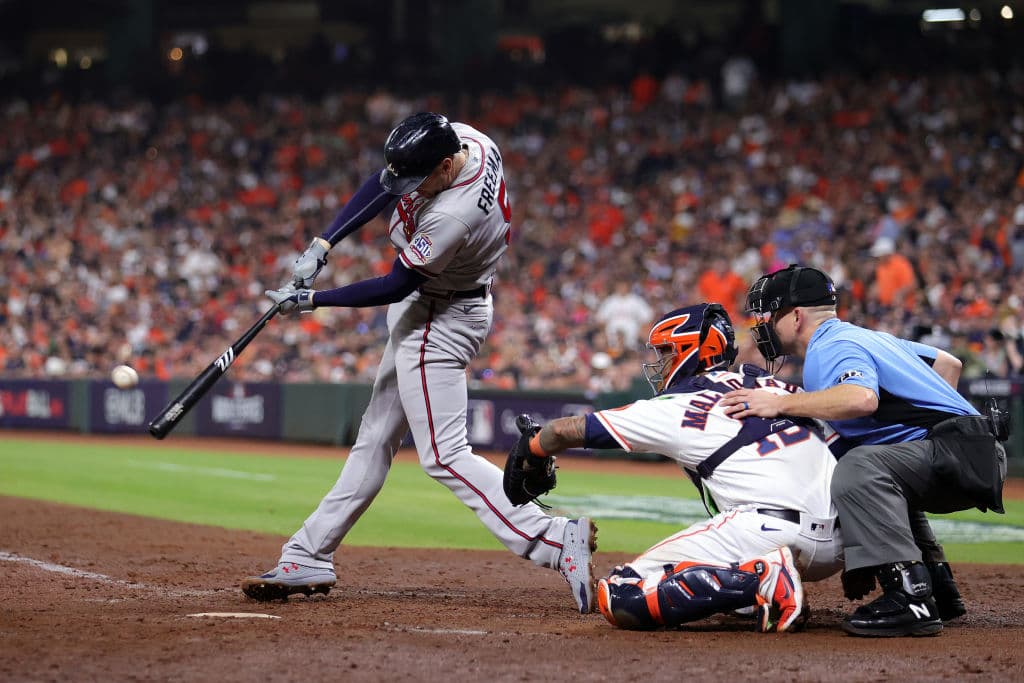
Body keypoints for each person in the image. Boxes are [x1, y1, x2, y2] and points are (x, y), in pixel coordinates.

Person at [240, 112, 596, 613]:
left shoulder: (454, 214)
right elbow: (386, 182)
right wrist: (325, 242)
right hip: (433, 304)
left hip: (440, 314)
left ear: (447, 167)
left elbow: (397, 284)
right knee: (376, 438)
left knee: (444, 454)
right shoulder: (466, 139)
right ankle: (308, 554)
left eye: (420, 180)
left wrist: (314, 302)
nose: (409, 189)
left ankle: (555, 539)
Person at [516, 302, 845, 631]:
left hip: (771, 531)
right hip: (843, 540)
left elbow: (563, 430)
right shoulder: (772, 385)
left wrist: (532, 448)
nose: (659, 363)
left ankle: (762, 580)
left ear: (692, 351)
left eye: (666, 352)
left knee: (621, 595)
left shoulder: (678, 404)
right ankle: (755, 585)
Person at [720, 264, 1007, 637]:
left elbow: (861, 398)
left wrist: (779, 404)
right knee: (884, 469)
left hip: (961, 450)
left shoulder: (830, 347)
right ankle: (937, 587)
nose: (765, 327)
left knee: (859, 467)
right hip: (972, 447)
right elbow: (948, 364)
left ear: (795, 317)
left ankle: (909, 597)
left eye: (770, 316)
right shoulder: (865, 337)